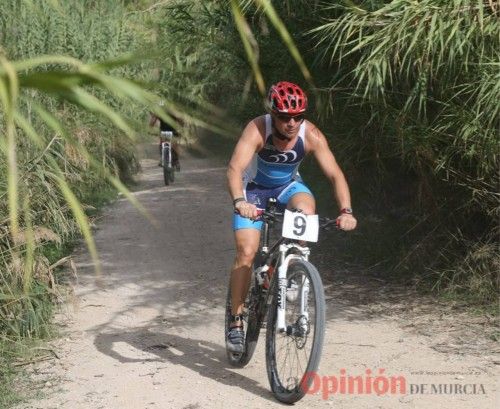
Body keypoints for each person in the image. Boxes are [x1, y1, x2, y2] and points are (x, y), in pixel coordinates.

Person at [226, 81, 357, 353]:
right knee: (246, 251)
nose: (292, 123)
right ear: (273, 114)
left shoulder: (312, 136)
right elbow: (235, 168)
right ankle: (237, 322)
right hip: (254, 190)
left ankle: (292, 271)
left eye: (298, 117)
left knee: (306, 210)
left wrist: (346, 210)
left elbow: (335, 174)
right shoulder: (257, 129)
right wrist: (240, 201)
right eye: (285, 117)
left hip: (289, 187)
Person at [149, 102, 181, 170]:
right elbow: (181, 121)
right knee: (173, 145)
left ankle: (175, 160)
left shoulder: (160, 112)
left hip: (167, 131)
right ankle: (176, 161)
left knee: (168, 144)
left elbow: (152, 122)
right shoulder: (172, 111)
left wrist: (150, 129)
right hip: (171, 131)